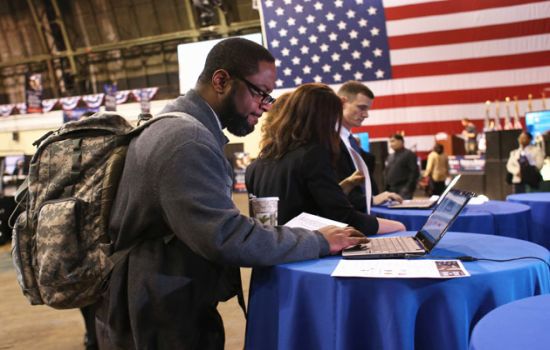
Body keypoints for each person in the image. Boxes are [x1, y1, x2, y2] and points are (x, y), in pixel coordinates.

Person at [94, 38, 366, 349]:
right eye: (259, 93)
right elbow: (225, 237)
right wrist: (320, 240)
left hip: (155, 299)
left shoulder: (178, 127)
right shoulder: (187, 140)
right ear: (222, 80)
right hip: (157, 313)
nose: (264, 107)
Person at [245, 83, 406, 235]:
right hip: (303, 254)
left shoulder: (255, 167)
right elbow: (341, 216)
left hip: (270, 256)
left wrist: (344, 186)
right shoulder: (312, 155)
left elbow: (300, 203)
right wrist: (398, 226)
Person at [335, 81, 402, 213]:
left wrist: (375, 198)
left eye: (367, 109)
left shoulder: (351, 141)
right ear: (343, 102)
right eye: (361, 108)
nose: (366, 115)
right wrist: (371, 200)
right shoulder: (329, 140)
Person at [384, 134, 420, 199]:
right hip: (391, 189)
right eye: (390, 142)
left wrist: (408, 188)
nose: (391, 144)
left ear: (400, 141)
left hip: (403, 189)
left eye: (393, 141)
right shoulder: (390, 156)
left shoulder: (409, 154)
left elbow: (414, 173)